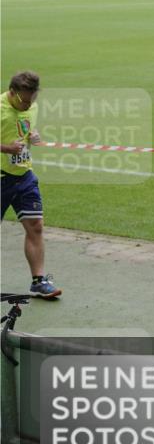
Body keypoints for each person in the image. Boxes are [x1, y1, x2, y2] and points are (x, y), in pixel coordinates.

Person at [1, 71, 61, 299]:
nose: (28, 105)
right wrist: (6, 149)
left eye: (32, 99)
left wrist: (32, 136)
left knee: (35, 225)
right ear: (13, 93)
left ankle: (38, 281)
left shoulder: (31, 107)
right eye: (25, 101)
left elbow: (21, 132)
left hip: (24, 176)